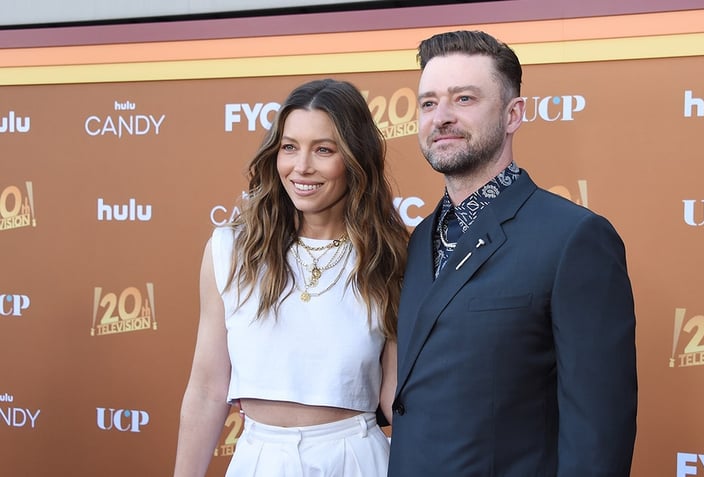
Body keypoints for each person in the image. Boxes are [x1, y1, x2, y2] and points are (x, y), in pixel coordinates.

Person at [387, 30, 638, 476]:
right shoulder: (420, 237)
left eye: (463, 99)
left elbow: (598, 433)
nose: (441, 117)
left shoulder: (575, 239)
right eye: (428, 103)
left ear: (512, 114)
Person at [174, 78, 408, 477]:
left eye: (323, 150)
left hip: (355, 457)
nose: (301, 167)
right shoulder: (231, 249)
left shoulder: (389, 257)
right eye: (289, 147)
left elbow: (396, 398)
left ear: (354, 158)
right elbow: (208, 389)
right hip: (258, 457)